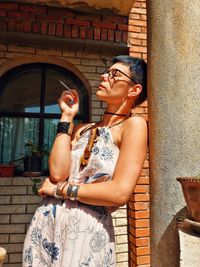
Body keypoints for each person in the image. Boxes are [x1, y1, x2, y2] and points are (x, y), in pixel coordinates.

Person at [23, 55, 148, 267]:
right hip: (46, 224)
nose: (104, 76)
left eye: (114, 74)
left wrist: (58, 190)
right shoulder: (83, 128)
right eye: (107, 71)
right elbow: (57, 173)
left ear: (133, 90)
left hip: (86, 231)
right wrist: (67, 118)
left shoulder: (133, 125)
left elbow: (119, 192)